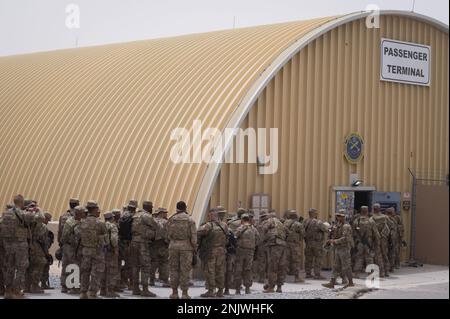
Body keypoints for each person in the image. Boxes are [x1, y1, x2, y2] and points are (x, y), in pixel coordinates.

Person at [0, 195, 35, 299]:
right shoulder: (22, 213)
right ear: (22, 202)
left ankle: (8, 291)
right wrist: (34, 210)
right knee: (21, 267)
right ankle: (16, 291)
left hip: (8, 245)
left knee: (9, 267)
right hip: (20, 245)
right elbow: (39, 218)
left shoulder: (5, 214)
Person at [167, 201, 197, 299]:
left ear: (177, 208)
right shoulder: (190, 220)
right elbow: (193, 237)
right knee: (185, 270)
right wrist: (194, 248)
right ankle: (184, 293)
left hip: (173, 246)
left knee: (173, 269)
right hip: (186, 247)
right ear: (185, 208)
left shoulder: (171, 219)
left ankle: (174, 293)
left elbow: (167, 235)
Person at [198, 209, 229, 297]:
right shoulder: (224, 225)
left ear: (211, 215)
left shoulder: (208, 225)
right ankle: (220, 291)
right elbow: (228, 237)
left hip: (211, 251)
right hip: (222, 251)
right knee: (220, 271)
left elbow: (199, 233)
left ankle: (211, 291)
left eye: (209, 215)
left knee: (210, 271)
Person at [79, 200, 107, 299]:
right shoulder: (100, 223)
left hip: (85, 250)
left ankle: (83, 292)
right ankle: (92, 293)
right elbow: (105, 237)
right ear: (95, 209)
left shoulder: (82, 221)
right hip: (97, 251)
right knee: (96, 272)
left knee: (85, 271)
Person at [130, 201, 158, 297]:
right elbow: (155, 225)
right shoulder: (147, 216)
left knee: (135, 266)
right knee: (145, 265)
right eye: (151, 207)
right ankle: (145, 289)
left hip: (134, 242)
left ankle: (135, 288)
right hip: (143, 243)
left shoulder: (136, 215)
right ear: (149, 207)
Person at [322, 210, 354, 289]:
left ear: (343, 217)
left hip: (344, 249)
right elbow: (333, 235)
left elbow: (346, 238)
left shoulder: (346, 226)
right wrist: (329, 240)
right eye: (337, 216)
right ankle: (332, 282)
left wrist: (335, 241)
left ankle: (350, 282)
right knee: (336, 266)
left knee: (346, 266)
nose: (338, 217)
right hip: (338, 249)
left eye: (340, 216)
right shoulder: (337, 226)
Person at [259, 211, 287, 293]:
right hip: (282, 245)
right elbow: (287, 232)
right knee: (281, 266)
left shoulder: (270, 220)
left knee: (272, 266)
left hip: (274, 245)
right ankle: (279, 287)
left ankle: (271, 287)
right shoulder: (281, 223)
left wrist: (263, 240)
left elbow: (264, 229)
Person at [60, 205, 85, 294]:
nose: (84, 214)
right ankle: (71, 287)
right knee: (73, 265)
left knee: (69, 265)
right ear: (78, 213)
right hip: (70, 246)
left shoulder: (79, 221)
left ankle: (66, 286)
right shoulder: (71, 222)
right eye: (82, 213)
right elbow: (64, 235)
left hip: (74, 246)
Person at [233, 213, 259, 294]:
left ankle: (237, 289)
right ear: (249, 220)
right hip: (250, 251)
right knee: (248, 269)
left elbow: (234, 238)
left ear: (242, 220)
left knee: (238, 269)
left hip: (240, 251)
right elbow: (258, 239)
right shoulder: (254, 229)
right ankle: (247, 288)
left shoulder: (240, 228)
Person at [352, 206, 379, 278]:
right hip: (369, 243)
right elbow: (376, 234)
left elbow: (353, 233)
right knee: (369, 258)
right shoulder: (371, 221)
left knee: (359, 257)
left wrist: (355, 242)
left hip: (359, 243)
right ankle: (370, 274)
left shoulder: (356, 221)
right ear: (367, 211)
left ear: (361, 211)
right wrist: (376, 243)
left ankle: (356, 273)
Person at [224, 207, 245, 295]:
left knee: (230, 267)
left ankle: (230, 285)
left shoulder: (231, 223)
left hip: (232, 247)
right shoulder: (245, 223)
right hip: (242, 247)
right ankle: (238, 285)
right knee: (240, 267)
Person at [303, 208, 328, 279]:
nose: (317, 214)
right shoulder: (318, 222)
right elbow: (326, 229)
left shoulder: (305, 222)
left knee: (308, 259)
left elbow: (303, 232)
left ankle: (308, 274)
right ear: (313, 213)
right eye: (316, 213)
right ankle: (317, 274)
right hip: (317, 243)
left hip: (308, 243)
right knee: (318, 258)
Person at [100, 212, 120, 298]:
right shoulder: (113, 226)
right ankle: (110, 291)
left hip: (102, 251)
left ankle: (102, 290)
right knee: (112, 271)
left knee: (103, 270)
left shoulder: (101, 225)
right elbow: (114, 239)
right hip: (110, 251)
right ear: (112, 218)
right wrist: (115, 248)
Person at [150, 207, 170, 287]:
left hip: (153, 244)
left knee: (153, 262)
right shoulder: (166, 222)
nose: (166, 214)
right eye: (165, 212)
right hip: (163, 244)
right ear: (161, 213)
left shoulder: (152, 221)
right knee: (164, 263)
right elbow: (168, 234)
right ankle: (165, 280)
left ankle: (151, 280)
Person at [284, 209, 305, 283]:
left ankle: (283, 277)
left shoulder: (285, 223)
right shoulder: (298, 224)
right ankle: (296, 277)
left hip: (286, 244)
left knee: (286, 260)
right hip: (295, 244)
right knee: (296, 261)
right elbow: (303, 234)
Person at [370, 203, 391, 277]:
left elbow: (370, 229)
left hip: (376, 239)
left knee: (378, 256)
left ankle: (381, 272)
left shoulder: (372, 218)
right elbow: (391, 225)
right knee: (385, 254)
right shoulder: (385, 217)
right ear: (379, 209)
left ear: (373, 209)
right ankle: (387, 271)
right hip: (384, 239)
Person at [40, 212, 54, 290]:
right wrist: (46, 253)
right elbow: (45, 242)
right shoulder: (43, 227)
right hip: (41, 250)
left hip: (38, 249)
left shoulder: (37, 226)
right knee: (45, 266)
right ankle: (43, 283)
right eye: (47, 220)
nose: (48, 222)